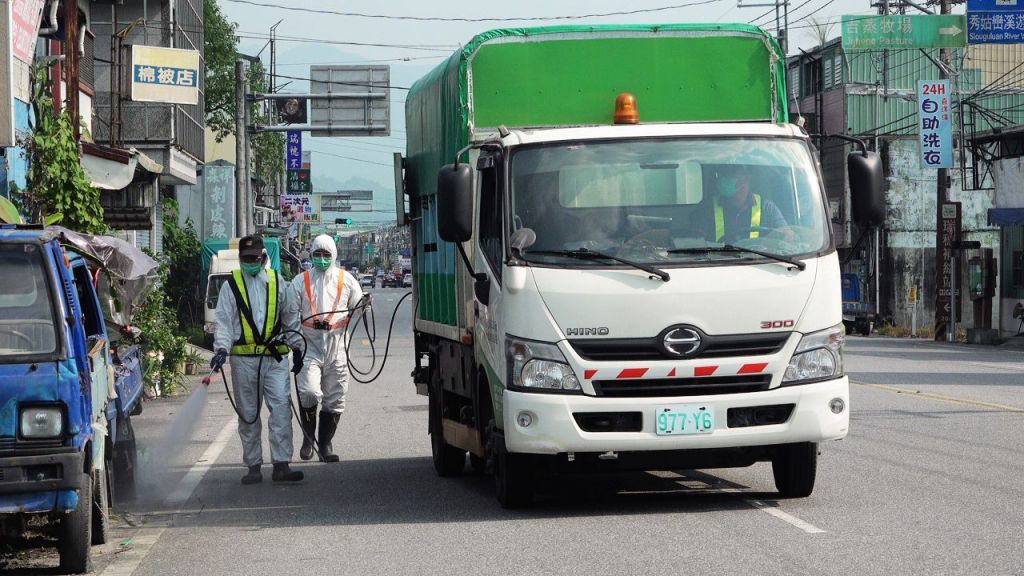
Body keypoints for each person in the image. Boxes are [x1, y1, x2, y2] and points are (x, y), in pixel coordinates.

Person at [210, 235, 304, 485]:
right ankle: (253, 466)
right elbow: (223, 321)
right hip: (244, 361)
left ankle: (281, 464)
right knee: (248, 415)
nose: (250, 263)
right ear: (240, 259)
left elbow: (290, 317)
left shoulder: (278, 282)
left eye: (254, 258)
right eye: (246, 259)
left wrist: (297, 348)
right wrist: (221, 349)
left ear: (263, 258)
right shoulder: (231, 285)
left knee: (281, 410)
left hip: (274, 359)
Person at [286, 234, 367, 463]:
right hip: (309, 345)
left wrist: (364, 305)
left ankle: (325, 444)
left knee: (335, 397)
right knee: (309, 392)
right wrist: (296, 345)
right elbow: (290, 315)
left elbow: (357, 308)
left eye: (326, 255)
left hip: (337, 345)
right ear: (311, 255)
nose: (322, 259)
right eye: (317, 254)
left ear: (334, 255)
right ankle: (308, 438)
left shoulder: (347, 280)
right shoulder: (300, 281)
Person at [699, 170, 788, 244]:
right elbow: (695, 240)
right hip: (716, 259)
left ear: (745, 179)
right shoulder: (707, 207)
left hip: (759, 259)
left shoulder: (767, 208)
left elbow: (787, 235)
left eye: (730, 175)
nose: (723, 179)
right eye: (721, 175)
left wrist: (768, 242)